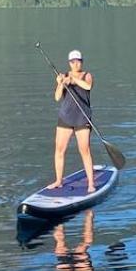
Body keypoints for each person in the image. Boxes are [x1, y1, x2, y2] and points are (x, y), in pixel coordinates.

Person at [49, 48, 96, 193]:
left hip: (82, 118)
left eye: (78, 61)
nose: (76, 64)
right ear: (69, 63)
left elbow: (87, 86)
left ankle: (91, 184)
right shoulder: (64, 76)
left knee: (84, 150)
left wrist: (73, 80)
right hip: (65, 118)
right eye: (73, 62)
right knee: (59, 150)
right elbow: (57, 98)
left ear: (82, 62)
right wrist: (60, 83)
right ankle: (58, 180)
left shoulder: (87, 75)